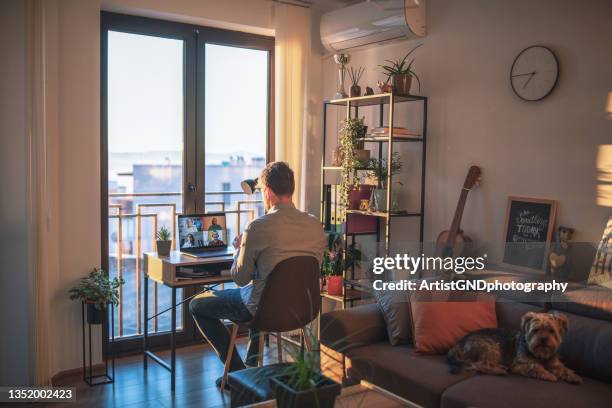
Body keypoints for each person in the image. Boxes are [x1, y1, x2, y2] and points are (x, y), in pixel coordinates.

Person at [189, 161, 326, 389]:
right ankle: (253, 369)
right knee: (260, 290)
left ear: (269, 192)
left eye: (262, 190)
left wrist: (239, 249)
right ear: (290, 188)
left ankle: (237, 373)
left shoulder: (257, 227)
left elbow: (239, 277)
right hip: (303, 309)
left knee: (197, 305)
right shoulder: (314, 224)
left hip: (264, 309)